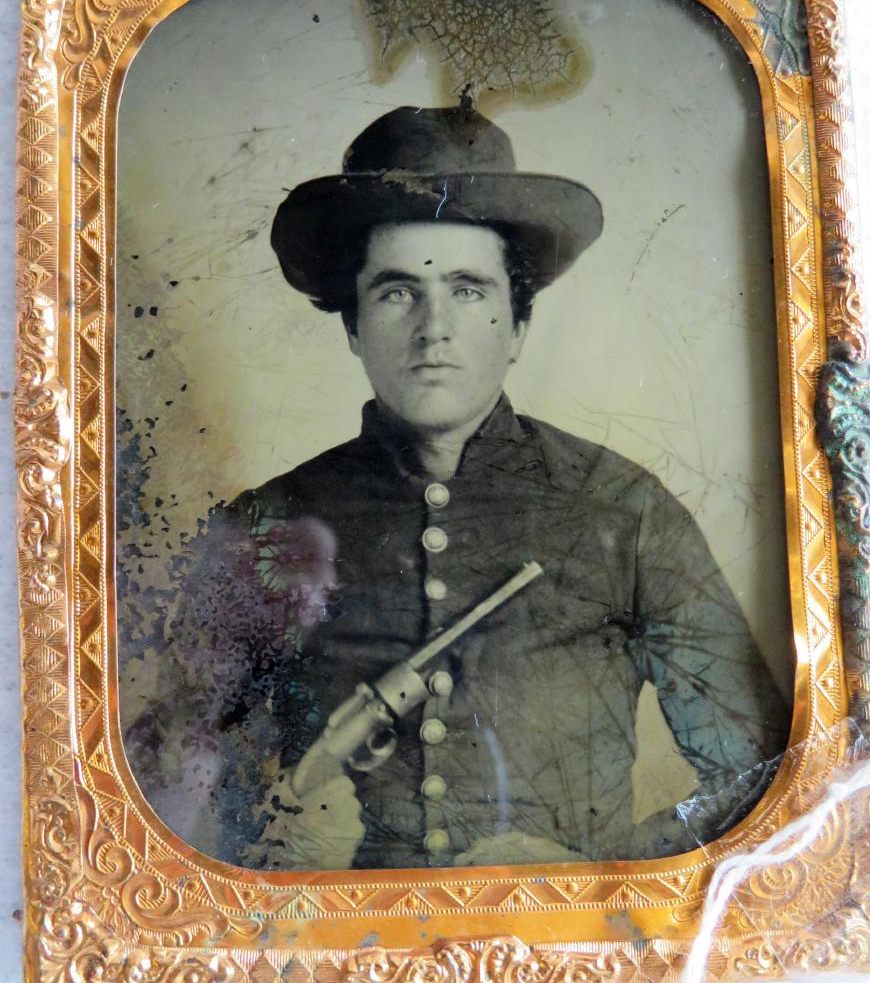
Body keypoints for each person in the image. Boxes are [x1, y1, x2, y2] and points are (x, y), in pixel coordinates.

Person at [133, 101, 789, 871]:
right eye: (397, 291)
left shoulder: (626, 514)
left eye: (469, 291)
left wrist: (599, 873)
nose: (433, 328)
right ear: (352, 326)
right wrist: (264, 840)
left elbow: (762, 776)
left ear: (516, 328)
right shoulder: (263, 525)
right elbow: (158, 788)